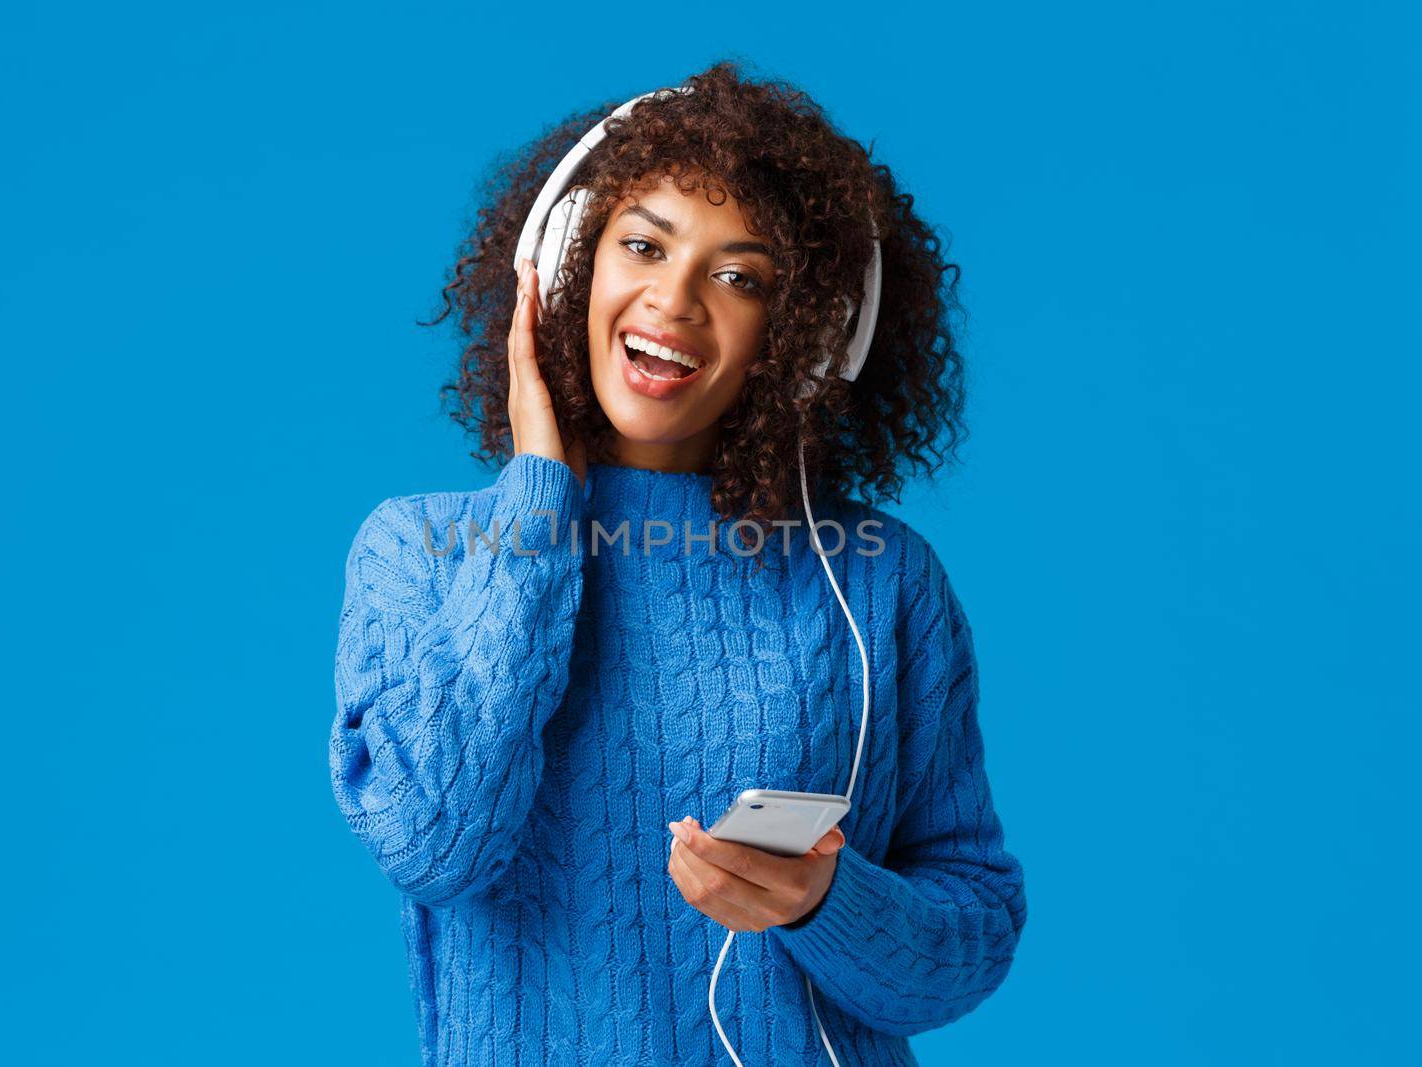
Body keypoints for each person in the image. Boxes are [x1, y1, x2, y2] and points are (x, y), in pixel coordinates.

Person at [329, 60, 1027, 1066]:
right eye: (643, 244)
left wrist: (824, 900)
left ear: (806, 336)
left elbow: (971, 936)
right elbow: (436, 845)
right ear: (568, 257)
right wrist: (538, 497)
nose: (676, 298)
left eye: (737, 276)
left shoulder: (875, 577)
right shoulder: (422, 551)